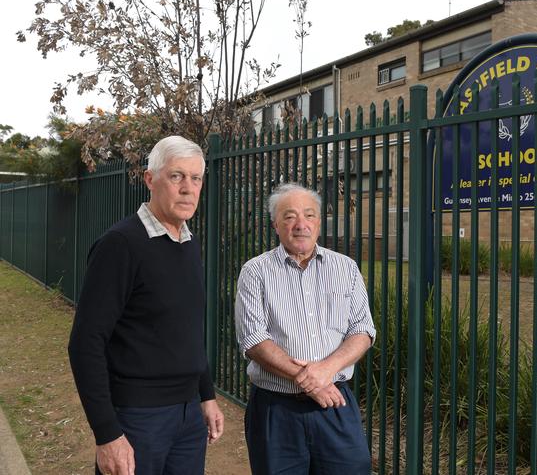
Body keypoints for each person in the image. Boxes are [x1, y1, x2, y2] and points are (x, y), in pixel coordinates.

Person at [68, 135, 224, 475]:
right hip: (138, 418)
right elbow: (85, 343)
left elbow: (187, 331)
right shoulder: (121, 245)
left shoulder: (188, 242)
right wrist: (107, 434)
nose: (188, 188)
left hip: (188, 419)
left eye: (196, 178)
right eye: (176, 176)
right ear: (150, 180)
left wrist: (206, 395)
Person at [235, 182, 376, 475]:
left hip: (335, 404)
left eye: (309, 215)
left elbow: (363, 329)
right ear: (275, 224)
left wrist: (326, 370)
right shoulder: (255, 272)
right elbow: (253, 339)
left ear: (319, 221)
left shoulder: (346, 268)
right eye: (289, 216)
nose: (301, 224)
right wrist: (308, 378)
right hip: (276, 410)